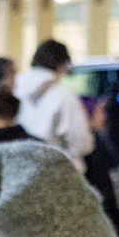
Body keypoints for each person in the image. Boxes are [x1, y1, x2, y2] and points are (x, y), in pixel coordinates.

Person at [13, 39, 94, 173]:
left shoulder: (14, 89)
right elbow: (81, 142)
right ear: (62, 65)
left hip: (19, 168)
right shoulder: (64, 96)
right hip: (56, 172)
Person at [84, 99, 119, 237]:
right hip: (104, 214)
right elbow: (106, 183)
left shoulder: (98, 140)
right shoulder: (90, 146)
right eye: (100, 112)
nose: (104, 117)